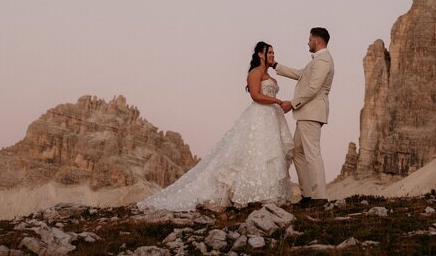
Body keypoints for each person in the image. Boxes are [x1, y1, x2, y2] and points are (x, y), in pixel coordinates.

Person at [137, 41, 293, 211]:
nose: (272, 55)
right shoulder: (254, 73)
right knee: (253, 152)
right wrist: (278, 101)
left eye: (273, 53)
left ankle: (266, 194)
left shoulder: (272, 78)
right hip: (259, 116)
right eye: (269, 52)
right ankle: (243, 194)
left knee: (268, 153)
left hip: (272, 118)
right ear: (260, 55)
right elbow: (256, 95)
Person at [272, 27, 334, 205]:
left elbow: (313, 88)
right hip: (306, 113)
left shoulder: (323, 60)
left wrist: (292, 103)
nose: (307, 42)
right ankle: (307, 195)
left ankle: (320, 197)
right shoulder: (317, 61)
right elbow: (301, 75)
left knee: (312, 153)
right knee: (297, 152)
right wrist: (276, 66)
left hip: (312, 112)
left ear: (317, 40)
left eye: (310, 39)